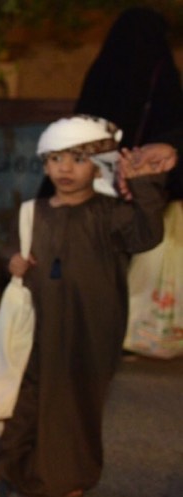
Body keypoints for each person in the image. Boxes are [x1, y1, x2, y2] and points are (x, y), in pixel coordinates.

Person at [0, 114, 172, 497]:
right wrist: (12, 262)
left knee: (80, 402)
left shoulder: (110, 213)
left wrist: (145, 185)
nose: (66, 168)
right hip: (40, 323)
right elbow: (13, 250)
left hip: (95, 326)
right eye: (56, 159)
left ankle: (74, 474)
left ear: (98, 167)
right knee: (30, 396)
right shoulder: (34, 212)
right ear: (45, 165)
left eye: (78, 159)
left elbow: (147, 234)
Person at [67, 7, 183, 357]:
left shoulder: (106, 67)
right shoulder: (162, 73)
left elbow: (84, 121)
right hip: (142, 175)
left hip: (105, 172)